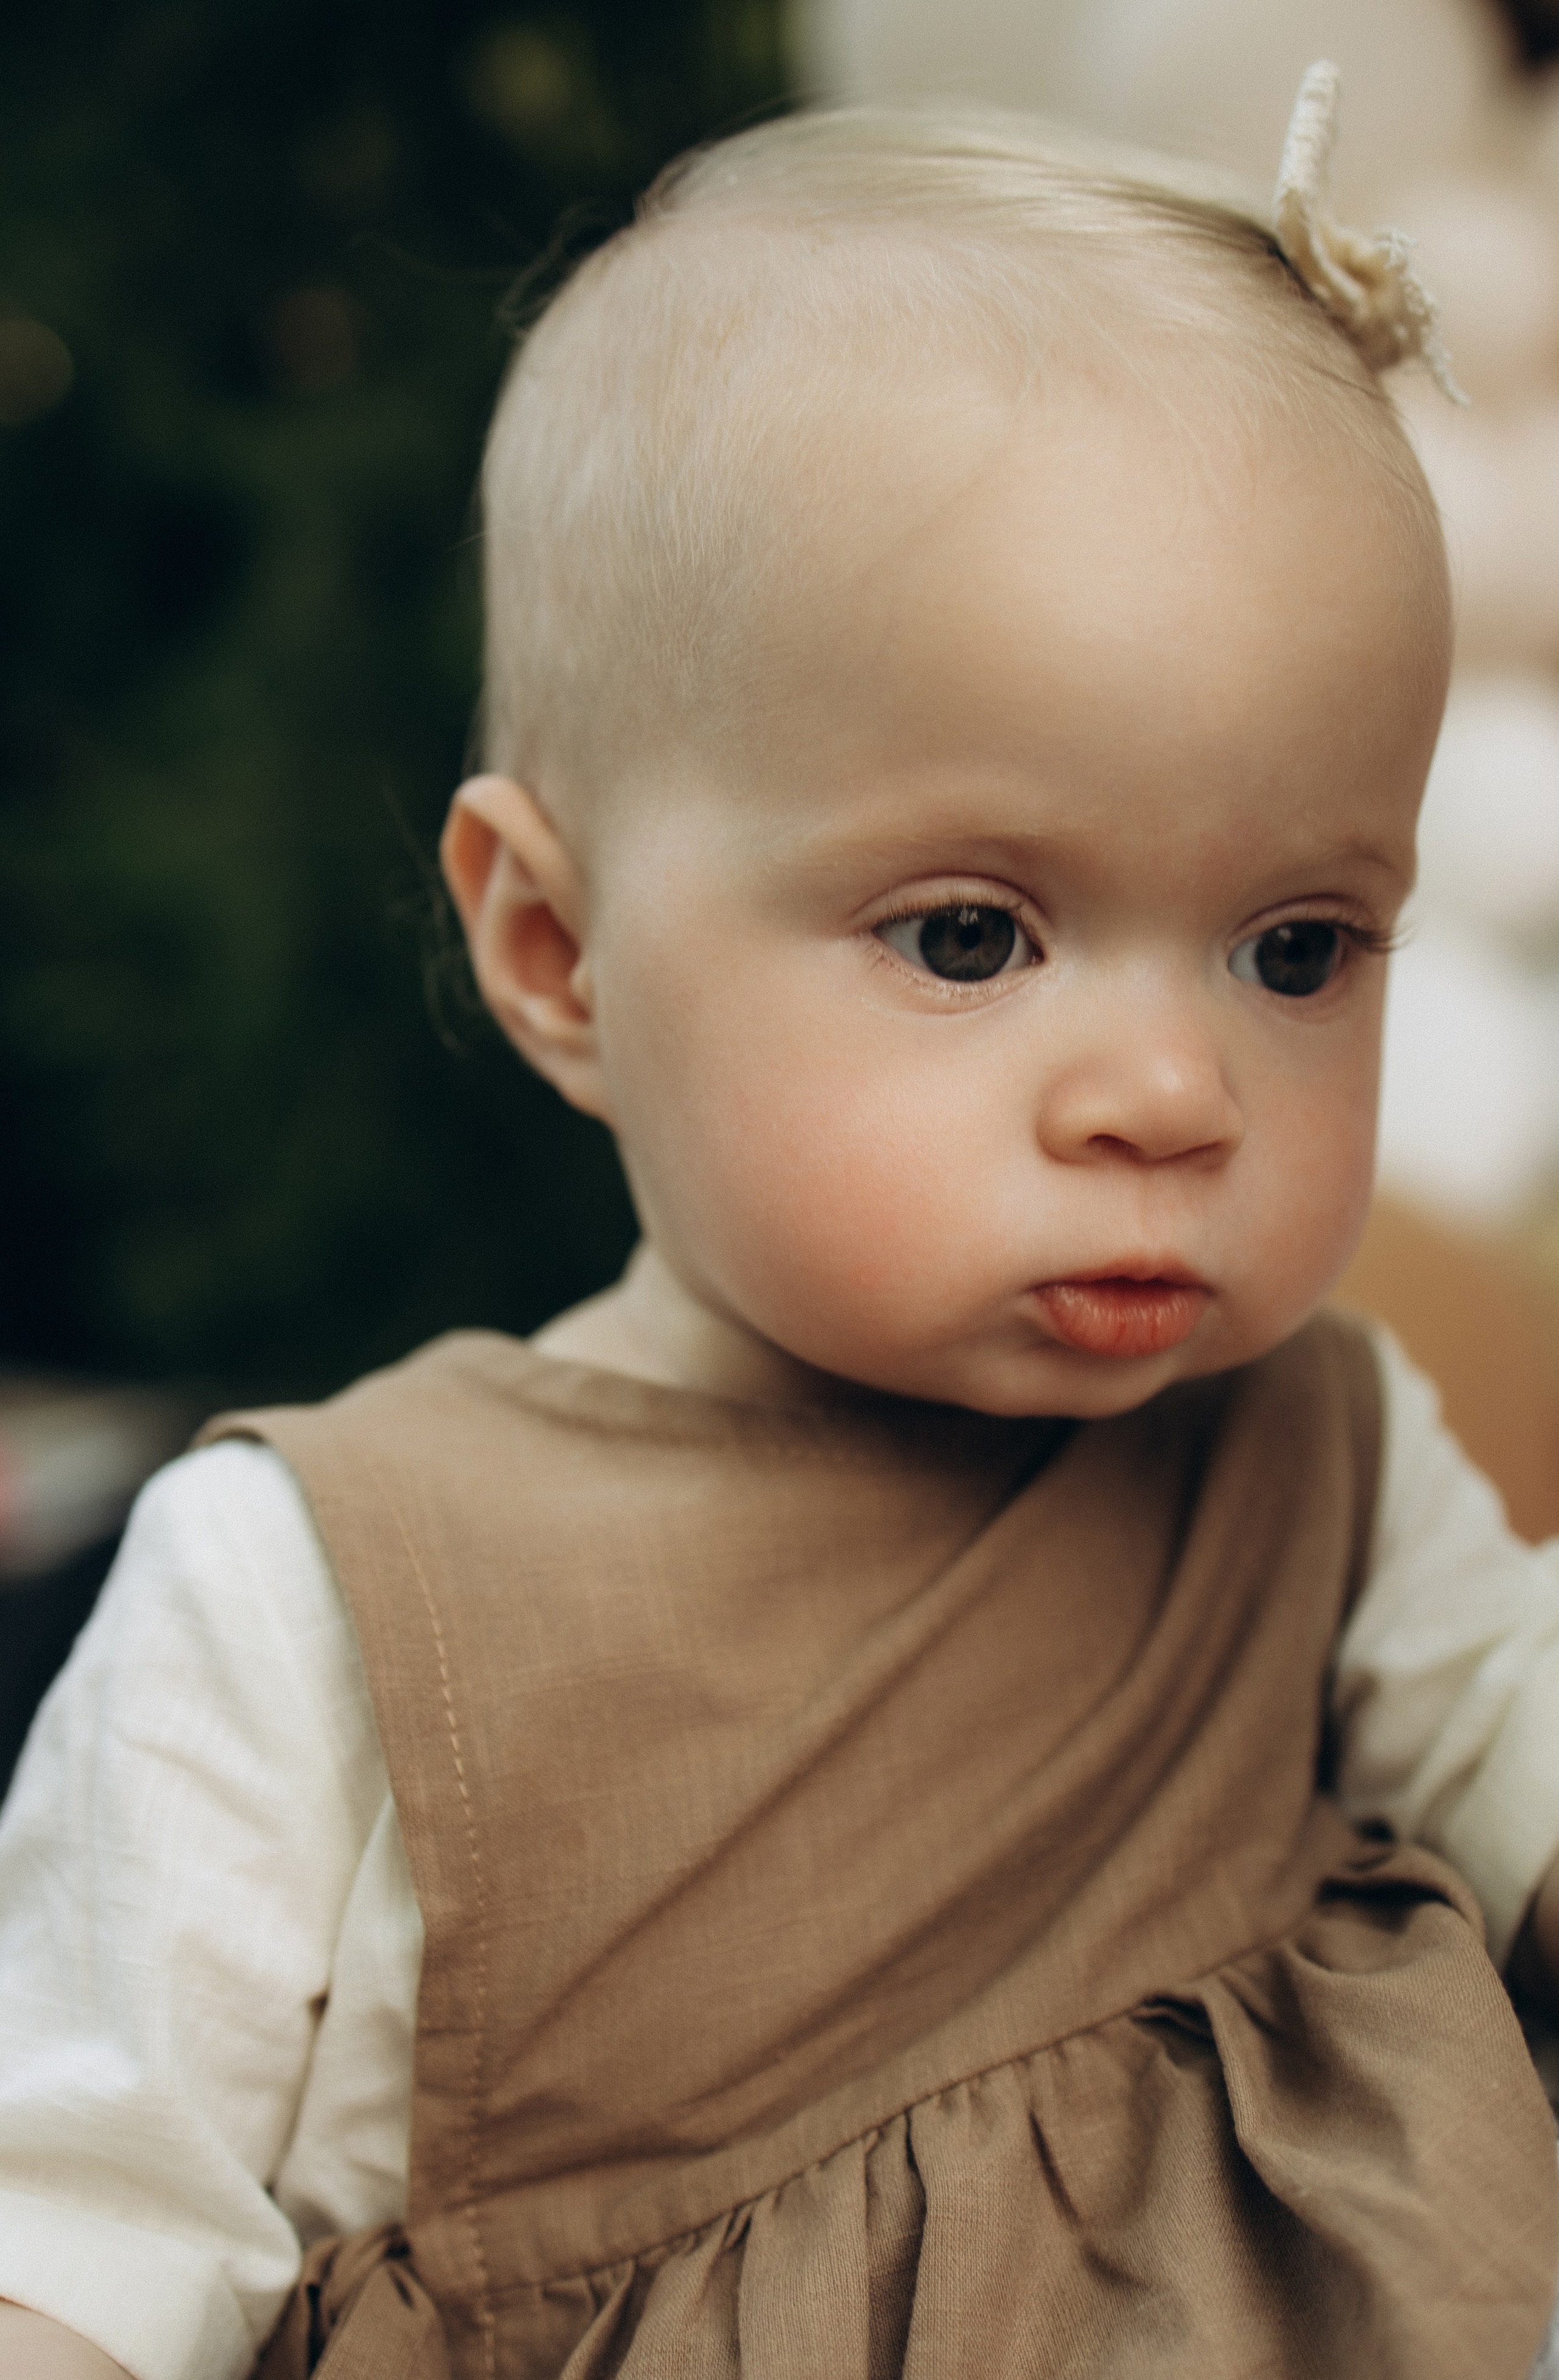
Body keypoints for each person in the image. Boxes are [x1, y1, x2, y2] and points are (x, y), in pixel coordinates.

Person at [2, 60, 1558, 2380]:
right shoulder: (319, 1591)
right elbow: (78, 2240)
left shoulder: (1317, 1459)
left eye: (1299, 945)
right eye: (969, 935)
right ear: (561, 951)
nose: (1177, 1092)